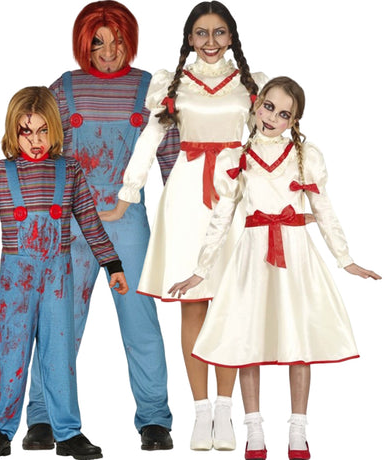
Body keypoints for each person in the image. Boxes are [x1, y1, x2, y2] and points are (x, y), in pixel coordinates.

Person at [169, 76, 381, 460]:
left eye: (284, 114)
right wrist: (201, 270)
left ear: (293, 121)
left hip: (295, 258)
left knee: (297, 342)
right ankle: (254, 429)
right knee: (249, 342)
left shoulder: (305, 156)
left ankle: (298, 430)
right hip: (253, 258)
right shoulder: (237, 159)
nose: (272, 117)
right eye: (269, 106)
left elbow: (323, 209)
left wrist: (345, 258)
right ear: (257, 104)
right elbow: (221, 217)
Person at [101, 0, 267, 451]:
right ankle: (201, 411)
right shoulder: (171, 84)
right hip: (187, 195)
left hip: (235, 194)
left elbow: (267, 143)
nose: (210, 41)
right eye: (201, 33)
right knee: (192, 305)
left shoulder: (252, 83)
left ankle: (226, 411)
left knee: (231, 303)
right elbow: (150, 138)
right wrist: (127, 194)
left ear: (231, 37)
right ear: (189, 39)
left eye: (218, 32)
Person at [23, 1, 179, 452]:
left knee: (140, 320)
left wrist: (184, 222)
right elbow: (38, 150)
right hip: (70, 223)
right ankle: (42, 416)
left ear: (130, 39)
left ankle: (155, 419)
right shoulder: (64, 89)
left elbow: (171, 159)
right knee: (60, 320)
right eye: (97, 43)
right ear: (83, 45)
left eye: (117, 41)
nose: (108, 52)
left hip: (127, 221)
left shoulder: (151, 89)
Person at [0, 86, 128, 460]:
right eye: (26, 131)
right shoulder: (1, 172)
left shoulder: (70, 170)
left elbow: (90, 223)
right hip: (16, 280)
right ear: (13, 132)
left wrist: (113, 264)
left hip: (58, 278)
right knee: (9, 352)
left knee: (60, 355)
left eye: (43, 130)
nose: (36, 140)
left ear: (55, 129)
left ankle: (68, 432)